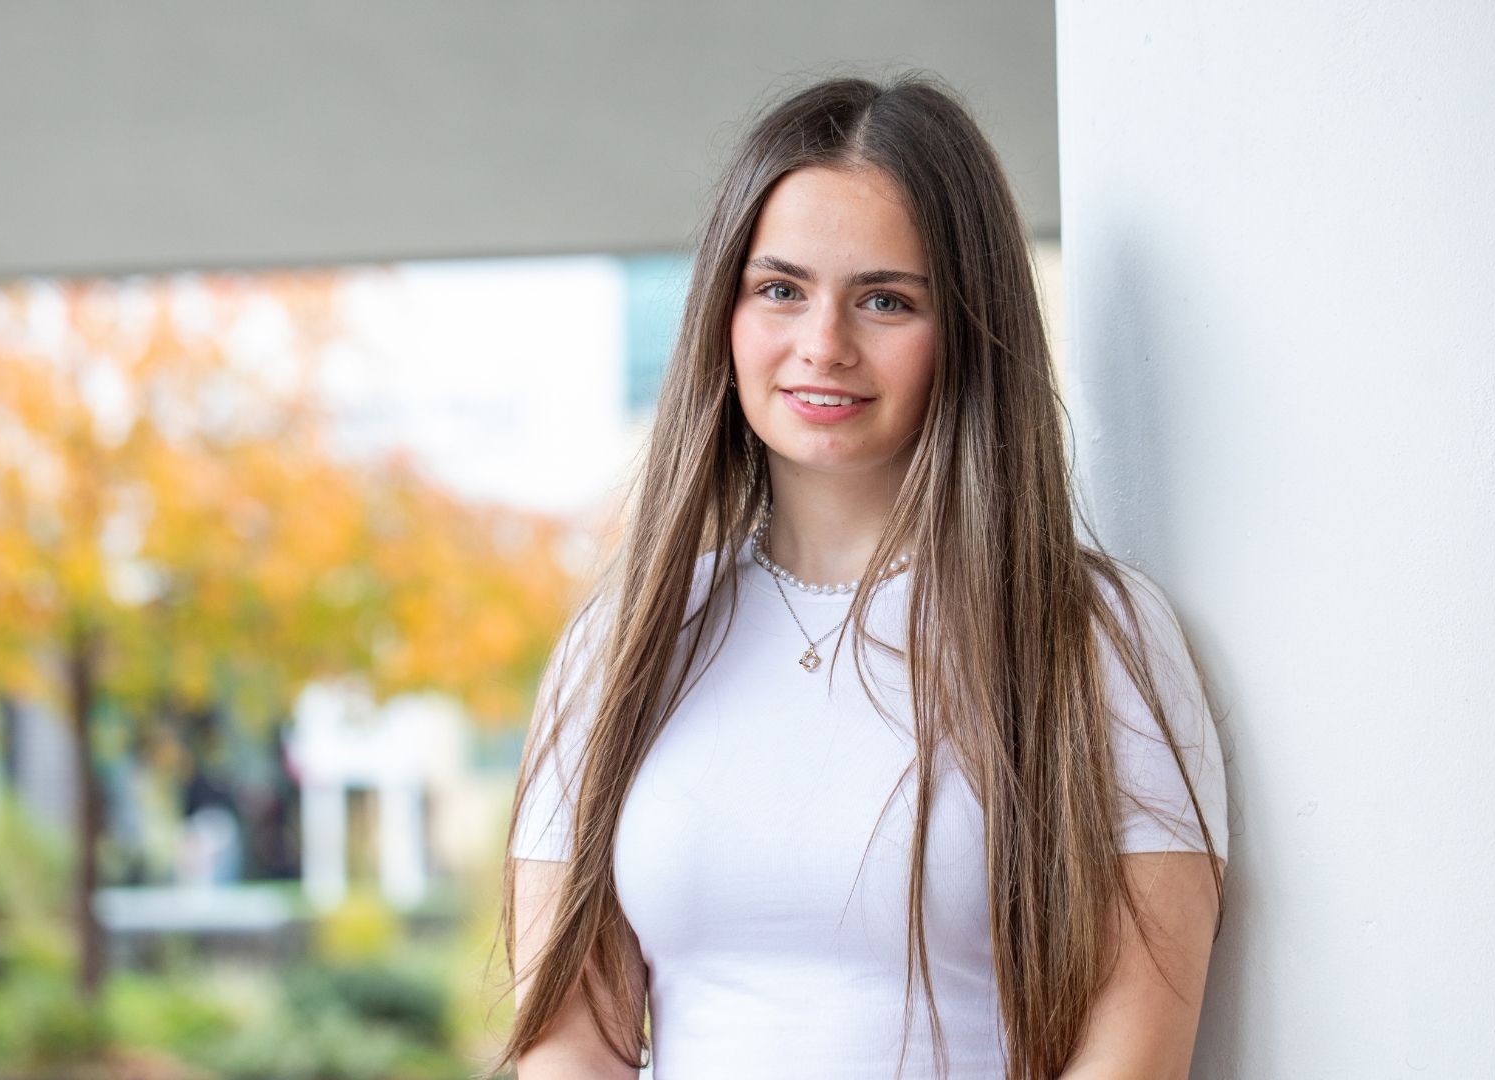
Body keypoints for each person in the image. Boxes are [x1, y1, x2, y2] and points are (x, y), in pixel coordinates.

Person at [489, 72, 1230, 1080]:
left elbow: (1134, 1046)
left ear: (966, 331)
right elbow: (568, 1036)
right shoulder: (625, 642)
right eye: (781, 289)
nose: (822, 346)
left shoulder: (1091, 635)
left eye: (885, 300)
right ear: (724, 311)